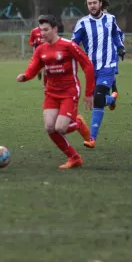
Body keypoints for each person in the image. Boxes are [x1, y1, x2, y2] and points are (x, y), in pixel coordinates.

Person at [17, 15, 96, 169]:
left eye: (46, 30)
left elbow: (88, 66)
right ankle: (74, 158)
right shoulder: (40, 49)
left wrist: (89, 92)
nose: (42, 33)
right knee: (49, 128)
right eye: (41, 30)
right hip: (51, 92)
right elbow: (34, 67)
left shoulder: (69, 45)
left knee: (61, 128)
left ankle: (79, 123)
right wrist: (25, 76)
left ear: (55, 29)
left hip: (69, 91)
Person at [71, 0, 125, 149]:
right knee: (99, 100)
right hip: (91, 68)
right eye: (89, 3)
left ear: (100, 3)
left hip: (108, 65)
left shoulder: (110, 19)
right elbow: (74, 44)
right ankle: (113, 98)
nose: (92, 6)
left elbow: (116, 34)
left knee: (98, 98)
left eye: (95, 2)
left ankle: (91, 138)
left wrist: (120, 47)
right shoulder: (82, 23)